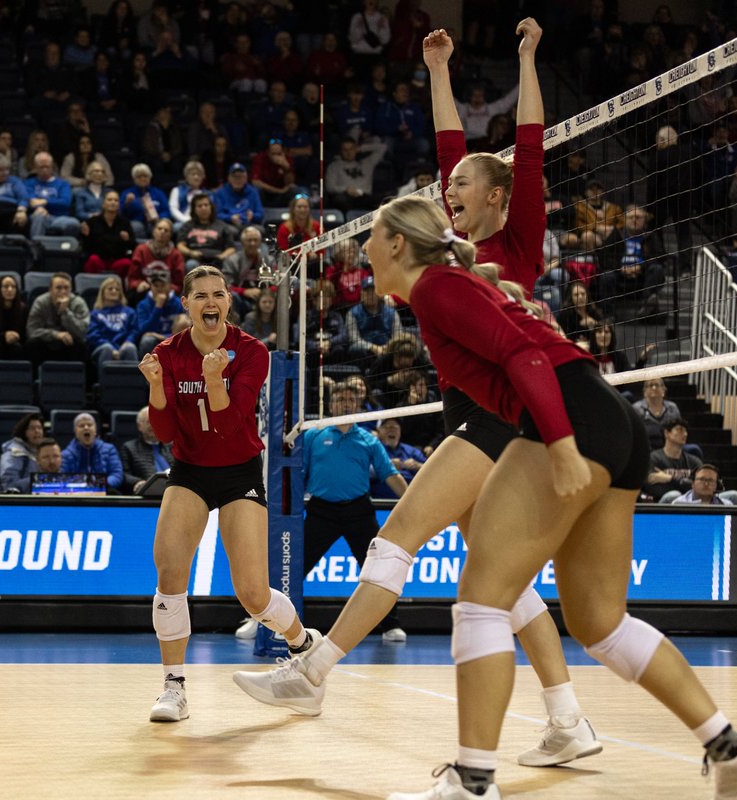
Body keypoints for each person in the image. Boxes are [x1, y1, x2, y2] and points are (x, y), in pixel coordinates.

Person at [232, 22, 603, 770]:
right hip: (472, 412)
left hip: (502, 416)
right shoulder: (451, 245)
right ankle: (569, 719)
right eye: (450, 188)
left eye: (463, 185)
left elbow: (527, 147)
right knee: (504, 577)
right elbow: (447, 156)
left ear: (499, 197)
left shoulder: (516, 235)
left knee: (394, 539)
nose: (448, 193)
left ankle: (312, 671)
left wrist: (529, 57)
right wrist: (438, 68)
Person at [345, 193, 737, 800]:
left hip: (568, 419)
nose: (361, 248)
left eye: (371, 237)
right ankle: (733, 749)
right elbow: (519, 337)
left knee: (481, 602)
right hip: (609, 420)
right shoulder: (449, 285)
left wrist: (562, 443)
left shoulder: (438, 287)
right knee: (599, 624)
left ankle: (472, 784)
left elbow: (522, 353)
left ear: (396, 243)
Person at [138, 265, 319, 723]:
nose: (209, 302)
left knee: (253, 594)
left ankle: (304, 645)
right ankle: (173, 686)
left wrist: (215, 378)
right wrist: (158, 386)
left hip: (240, 472)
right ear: (186, 304)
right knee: (169, 569)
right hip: (190, 470)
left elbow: (229, 422)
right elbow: (162, 431)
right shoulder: (168, 352)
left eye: (218, 294)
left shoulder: (251, 351)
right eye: (199, 295)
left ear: (229, 302)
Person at [251, 381, 408, 646]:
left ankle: (391, 625)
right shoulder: (314, 435)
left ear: (357, 404)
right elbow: (299, 473)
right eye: (340, 399)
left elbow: (389, 474)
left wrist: (411, 500)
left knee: (377, 570)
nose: (345, 403)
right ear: (331, 404)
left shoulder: (368, 439)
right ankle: (262, 621)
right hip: (322, 510)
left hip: (359, 510)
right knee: (293, 566)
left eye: (350, 399)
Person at [25, 272, 89, 365]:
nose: (63, 291)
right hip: (46, 343)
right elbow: (31, 331)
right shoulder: (40, 302)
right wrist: (56, 334)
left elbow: (82, 332)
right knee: (32, 344)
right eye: (58, 288)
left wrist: (65, 312)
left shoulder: (78, 303)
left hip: (69, 344)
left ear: (71, 289)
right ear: (50, 289)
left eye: (66, 288)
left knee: (81, 345)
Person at [134, 265, 189, 356]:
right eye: (156, 285)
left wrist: (164, 337)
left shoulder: (179, 303)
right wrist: (158, 307)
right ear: (151, 286)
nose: (159, 289)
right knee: (147, 340)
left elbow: (185, 329)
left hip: (173, 338)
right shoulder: (143, 305)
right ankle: (145, 369)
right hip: (152, 339)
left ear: (170, 286)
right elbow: (144, 330)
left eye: (162, 285)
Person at [61, 413, 124, 492]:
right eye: (81, 426)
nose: (86, 427)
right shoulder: (66, 454)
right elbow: (62, 478)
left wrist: (98, 485)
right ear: (76, 432)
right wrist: (84, 486)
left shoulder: (109, 449)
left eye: (90, 425)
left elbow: (116, 475)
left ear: (95, 431)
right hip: (77, 495)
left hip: (105, 493)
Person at [80, 190, 137, 278]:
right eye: (109, 200)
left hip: (117, 261)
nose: (113, 203)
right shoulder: (93, 222)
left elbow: (133, 246)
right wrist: (86, 236)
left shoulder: (125, 223)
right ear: (103, 204)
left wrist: (127, 240)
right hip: (99, 260)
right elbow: (85, 247)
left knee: (126, 263)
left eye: (116, 200)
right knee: (93, 260)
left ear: (119, 205)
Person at [119, 406, 174, 495]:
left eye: (157, 421)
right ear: (139, 426)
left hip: (175, 491)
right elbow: (123, 474)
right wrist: (137, 482)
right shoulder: (128, 447)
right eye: (149, 421)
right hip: (148, 495)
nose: (153, 424)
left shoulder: (172, 446)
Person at [645, 417, 701, 503]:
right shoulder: (654, 458)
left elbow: (701, 486)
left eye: (686, 431)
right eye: (680, 430)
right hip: (662, 504)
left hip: (692, 502)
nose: (685, 434)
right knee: (674, 495)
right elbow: (653, 487)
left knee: (729, 495)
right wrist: (684, 485)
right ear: (667, 433)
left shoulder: (694, 461)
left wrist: (670, 479)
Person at [88, 275, 139, 365]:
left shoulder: (129, 312)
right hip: (103, 347)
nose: (114, 291)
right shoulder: (95, 314)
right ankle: (104, 379)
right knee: (107, 349)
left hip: (124, 346)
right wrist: (112, 348)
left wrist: (128, 341)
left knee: (130, 348)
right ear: (103, 292)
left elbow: (134, 330)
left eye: (117, 289)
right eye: (110, 289)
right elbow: (93, 335)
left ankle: (134, 378)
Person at [0, 412, 45, 493]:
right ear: (23, 431)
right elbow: (9, 485)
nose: (37, 431)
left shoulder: (43, 450)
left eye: (39, 428)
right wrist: (38, 481)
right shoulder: (13, 453)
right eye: (32, 428)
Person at [632, 377, 681, 449]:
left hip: (669, 448)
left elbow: (679, 429)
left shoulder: (672, 408)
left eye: (657, 385)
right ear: (644, 392)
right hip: (645, 447)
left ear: (663, 390)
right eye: (650, 385)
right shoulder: (637, 409)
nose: (654, 388)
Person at [671, 464, 737, 506]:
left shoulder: (727, 506)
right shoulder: (679, 503)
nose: (706, 484)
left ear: (716, 485)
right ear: (693, 484)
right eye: (701, 479)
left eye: (710, 480)